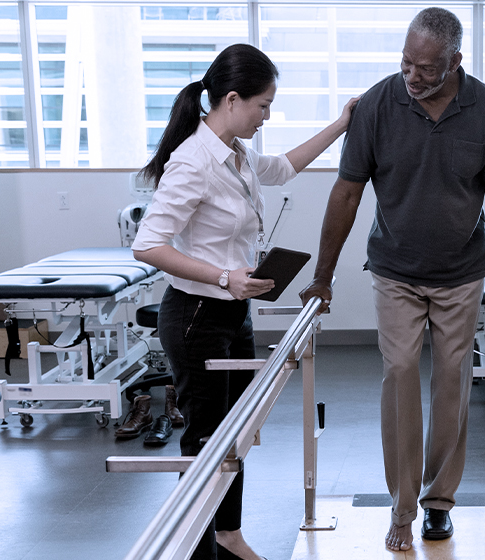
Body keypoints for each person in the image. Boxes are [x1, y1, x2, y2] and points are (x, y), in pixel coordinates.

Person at [297, 7, 485, 552]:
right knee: (400, 371)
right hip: (395, 269)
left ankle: (437, 503)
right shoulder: (379, 104)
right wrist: (322, 277)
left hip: (460, 273)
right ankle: (401, 507)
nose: (413, 76)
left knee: (452, 379)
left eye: (426, 67)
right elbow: (347, 192)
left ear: (455, 61)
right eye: (406, 62)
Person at [132, 43, 356, 560]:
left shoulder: (235, 152)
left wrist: (342, 124)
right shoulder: (193, 161)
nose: (266, 116)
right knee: (207, 443)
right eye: (262, 105)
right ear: (232, 99)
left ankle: (228, 536)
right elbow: (148, 244)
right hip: (195, 317)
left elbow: (283, 167)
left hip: (232, 314)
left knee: (234, 439)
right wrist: (223, 275)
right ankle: (198, 551)